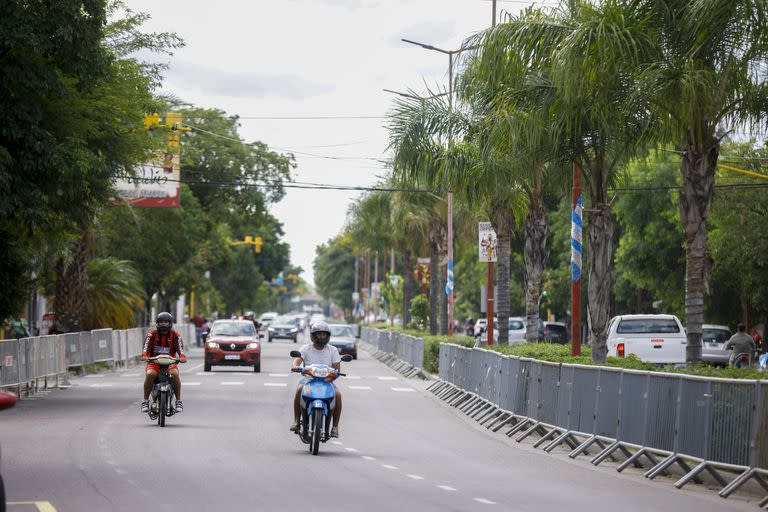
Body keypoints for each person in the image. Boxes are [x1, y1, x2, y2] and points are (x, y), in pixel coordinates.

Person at [290, 321, 343, 438]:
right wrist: (295, 366)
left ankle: (334, 427)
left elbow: (336, 369)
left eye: (324, 334)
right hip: (308, 380)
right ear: (313, 335)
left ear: (328, 336)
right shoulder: (306, 348)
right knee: (299, 389)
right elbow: (297, 360)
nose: (321, 337)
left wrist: (331, 377)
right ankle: (296, 420)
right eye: (319, 334)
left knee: (338, 395)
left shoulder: (333, 350)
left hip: (326, 381)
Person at [140, 312, 187, 413]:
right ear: (157, 323)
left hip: (170, 362)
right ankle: (145, 401)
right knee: (150, 374)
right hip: (154, 362)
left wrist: (182, 356)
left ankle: (178, 401)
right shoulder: (152, 334)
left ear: (170, 323)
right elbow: (146, 346)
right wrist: (144, 355)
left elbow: (180, 349)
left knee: (174, 374)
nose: (163, 324)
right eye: (161, 322)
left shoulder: (175, 335)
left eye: (166, 322)